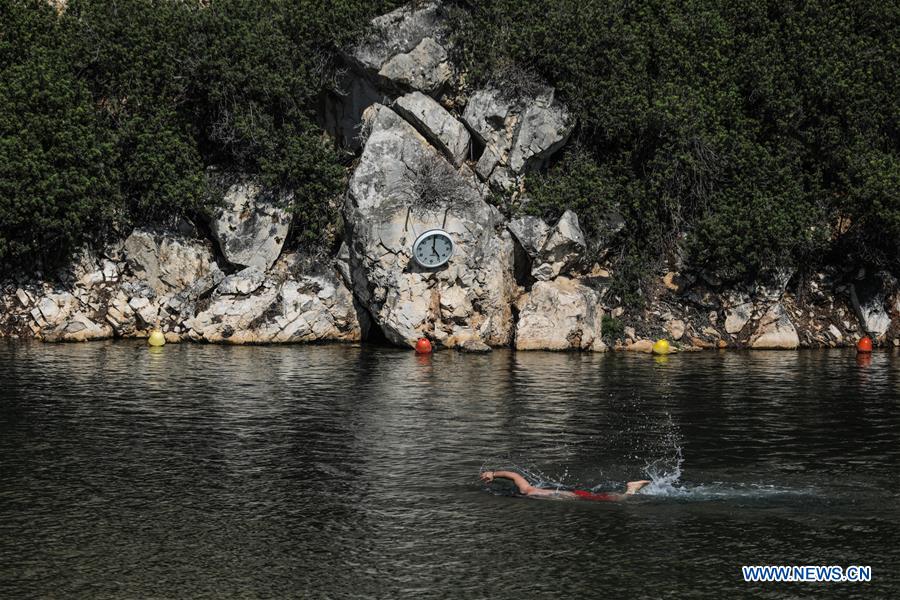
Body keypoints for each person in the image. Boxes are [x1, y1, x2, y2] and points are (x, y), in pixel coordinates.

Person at [480, 469, 650, 501]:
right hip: (570, 493)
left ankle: (630, 490)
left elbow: (515, 476)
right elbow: (514, 475)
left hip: (571, 495)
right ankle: (630, 490)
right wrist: (493, 474)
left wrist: (493, 474)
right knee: (601, 497)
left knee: (608, 500)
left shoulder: (527, 492)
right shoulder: (529, 490)